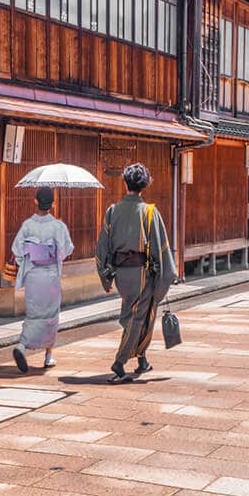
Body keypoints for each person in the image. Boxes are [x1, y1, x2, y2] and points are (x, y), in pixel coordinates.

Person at [96, 163, 177, 382]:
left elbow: (102, 246)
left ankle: (142, 359)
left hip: (122, 274)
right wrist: (165, 276)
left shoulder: (112, 211)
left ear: (125, 182)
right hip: (142, 273)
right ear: (145, 185)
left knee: (141, 315)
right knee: (137, 317)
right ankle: (120, 362)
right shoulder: (149, 211)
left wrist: (106, 275)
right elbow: (161, 247)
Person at [10, 186, 74, 373]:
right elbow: (66, 250)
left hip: (33, 275)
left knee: (34, 313)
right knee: (51, 314)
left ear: (35, 201)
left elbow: (17, 249)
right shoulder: (58, 226)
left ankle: (22, 346)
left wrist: (28, 257)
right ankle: (48, 355)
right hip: (50, 274)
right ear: (53, 204)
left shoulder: (27, 225)